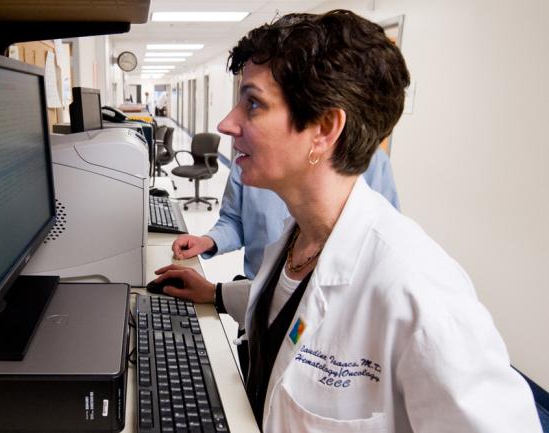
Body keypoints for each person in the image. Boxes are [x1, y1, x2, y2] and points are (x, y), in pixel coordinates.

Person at [153, 9, 541, 433]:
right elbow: (297, 303)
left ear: (324, 128)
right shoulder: (301, 234)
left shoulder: (421, 291)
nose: (227, 123)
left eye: (253, 103)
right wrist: (215, 292)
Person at [173, 147, 399, 280]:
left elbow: (384, 247)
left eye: (255, 103)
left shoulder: (370, 162)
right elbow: (235, 220)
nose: (228, 124)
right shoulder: (248, 159)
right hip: (256, 299)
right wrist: (208, 241)